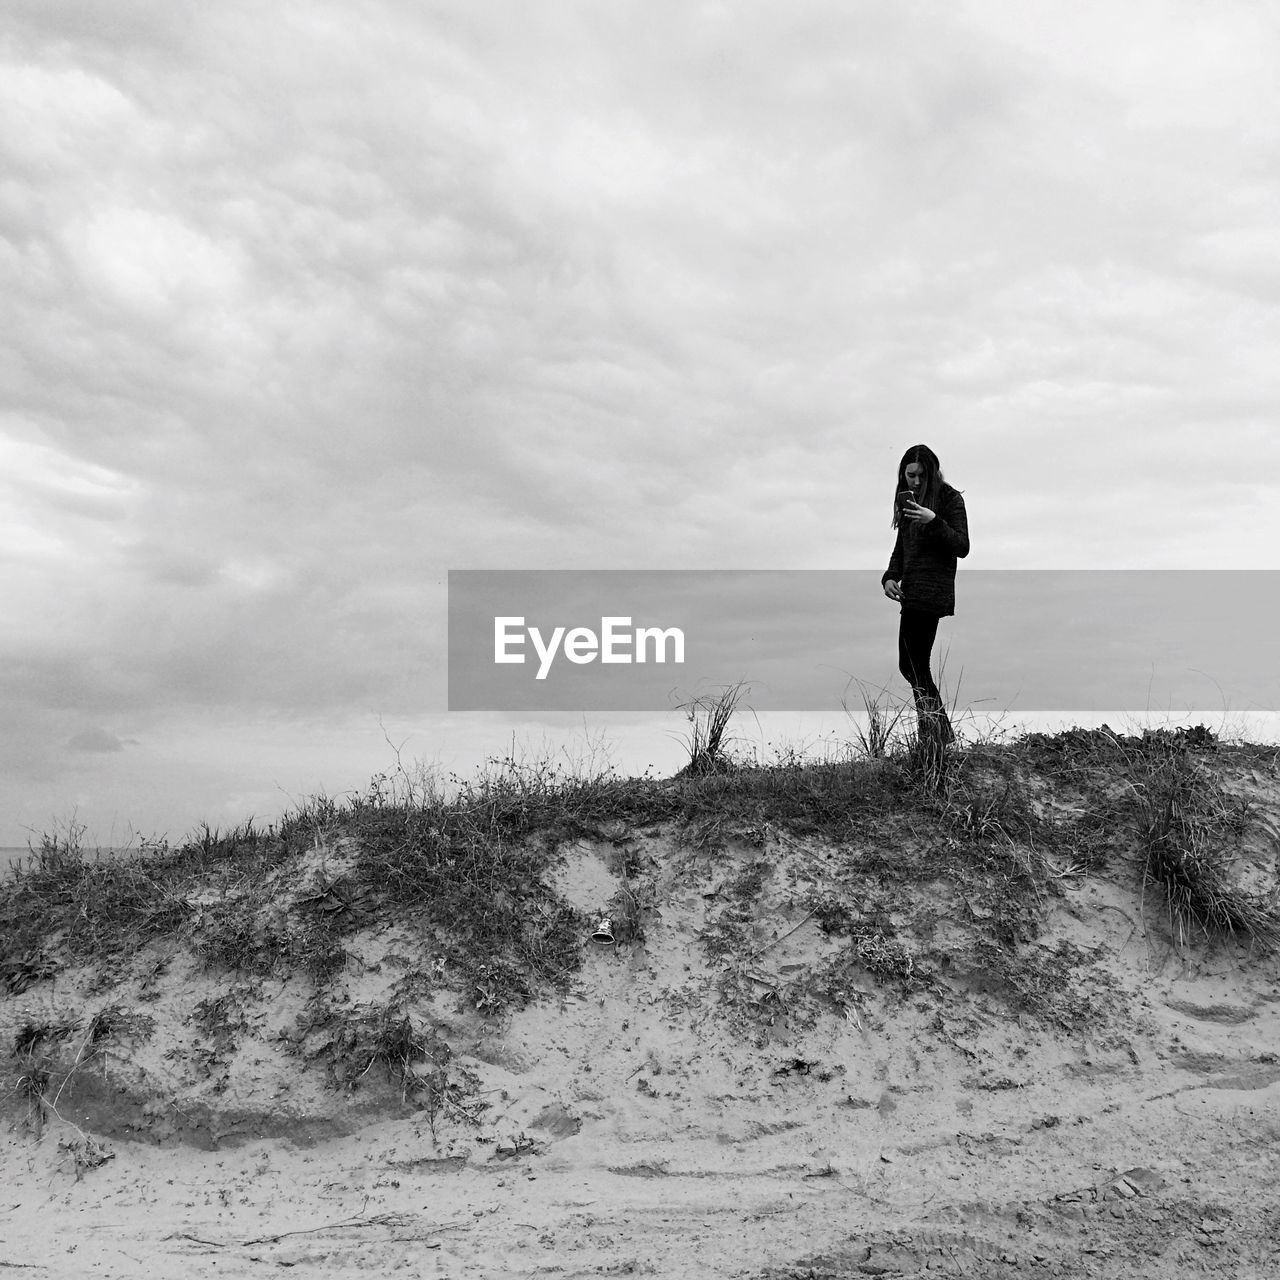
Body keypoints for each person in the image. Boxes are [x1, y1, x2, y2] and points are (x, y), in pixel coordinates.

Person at [881, 445, 969, 747]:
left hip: (933, 591)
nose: (915, 482)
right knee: (912, 664)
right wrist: (890, 576)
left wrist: (933, 521)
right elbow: (902, 547)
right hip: (911, 591)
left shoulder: (950, 499)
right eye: (909, 476)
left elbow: (962, 545)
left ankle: (936, 736)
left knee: (914, 664)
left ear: (931, 473)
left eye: (920, 476)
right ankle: (937, 735)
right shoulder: (908, 500)